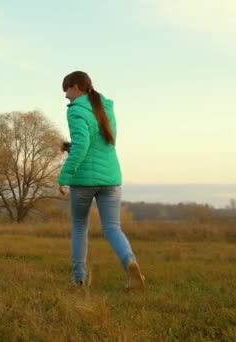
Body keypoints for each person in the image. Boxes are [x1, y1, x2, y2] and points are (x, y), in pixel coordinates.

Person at [58, 71, 145, 289]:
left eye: (66, 90)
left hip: (84, 180)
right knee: (113, 228)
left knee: (79, 226)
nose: (66, 96)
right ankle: (130, 262)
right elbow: (104, 141)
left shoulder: (76, 110)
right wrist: (71, 145)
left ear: (76, 87)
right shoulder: (105, 108)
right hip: (111, 177)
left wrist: (64, 176)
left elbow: (83, 145)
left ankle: (78, 279)